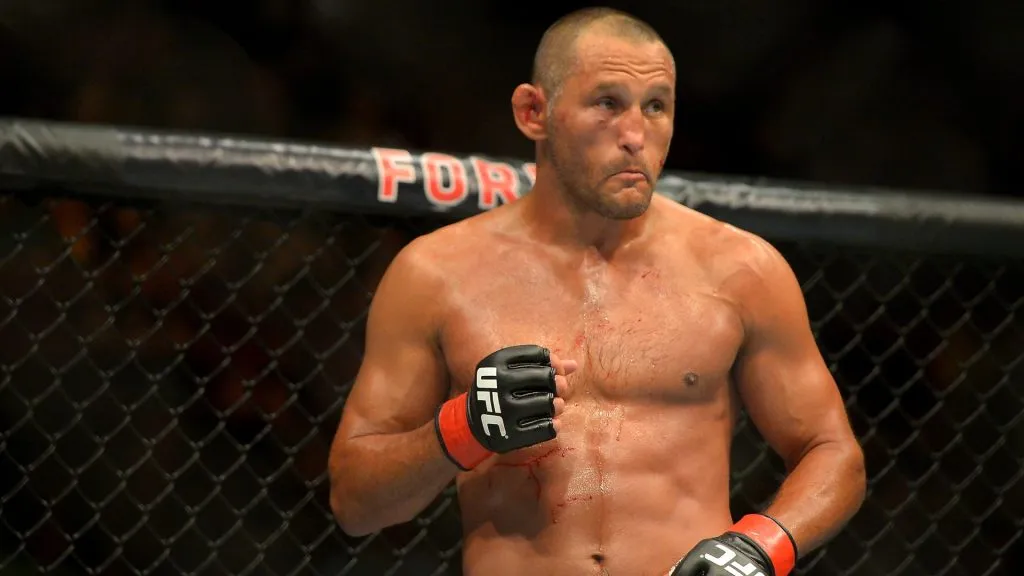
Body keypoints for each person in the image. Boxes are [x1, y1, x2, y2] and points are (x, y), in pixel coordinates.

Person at [328, 7, 866, 575]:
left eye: (656, 106)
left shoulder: (742, 270)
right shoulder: (435, 274)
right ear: (534, 112)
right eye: (607, 103)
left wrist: (759, 547)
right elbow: (355, 504)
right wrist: (464, 427)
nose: (636, 136)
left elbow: (834, 454)